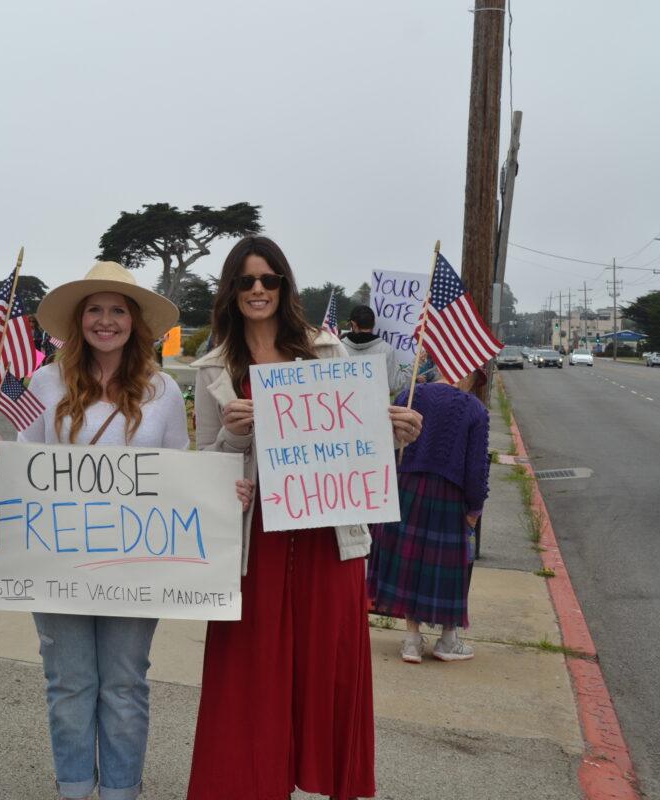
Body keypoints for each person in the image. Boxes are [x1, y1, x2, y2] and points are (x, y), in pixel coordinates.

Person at [187, 236, 423, 800]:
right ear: (232, 291)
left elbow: (357, 445)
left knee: (325, 672)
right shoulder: (215, 367)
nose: (258, 290)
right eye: (246, 281)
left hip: (326, 536)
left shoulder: (326, 353)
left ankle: (320, 779)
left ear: (285, 286)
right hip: (254, 542)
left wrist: (395, 435)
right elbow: (203, 467)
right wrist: (230, 435)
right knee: (251, 675)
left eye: (269, 280)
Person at [14, 261, 252, 800]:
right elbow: (23, 462)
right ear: (78, 320)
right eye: (94, 309)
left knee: (124, 684)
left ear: (135, 321)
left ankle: (122, 790)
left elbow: (178, 471)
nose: (105, 320)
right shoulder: (43, 382)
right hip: (56, 558)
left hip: (136, 564)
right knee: (68, 683)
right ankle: (74, 788)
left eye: (117, 310)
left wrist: (219, 491)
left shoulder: (163, 391)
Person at [367, 365, 490, 664]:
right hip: (449, 497)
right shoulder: (474, 409)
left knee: (409, 566)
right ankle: (448, 640)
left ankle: (411, 640)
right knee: (448, 569)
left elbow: (382, 440)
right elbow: (476, 469)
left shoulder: (410, 393)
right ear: (471, 374)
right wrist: (475, 507)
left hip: (404, 489)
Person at [341, 304, 407, 396]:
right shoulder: (386, 349)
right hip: (376, 408)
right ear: (373, 324)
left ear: (354, 324)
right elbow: (393, 386)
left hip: (344, 406)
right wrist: (415, 365)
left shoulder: (339, 347)